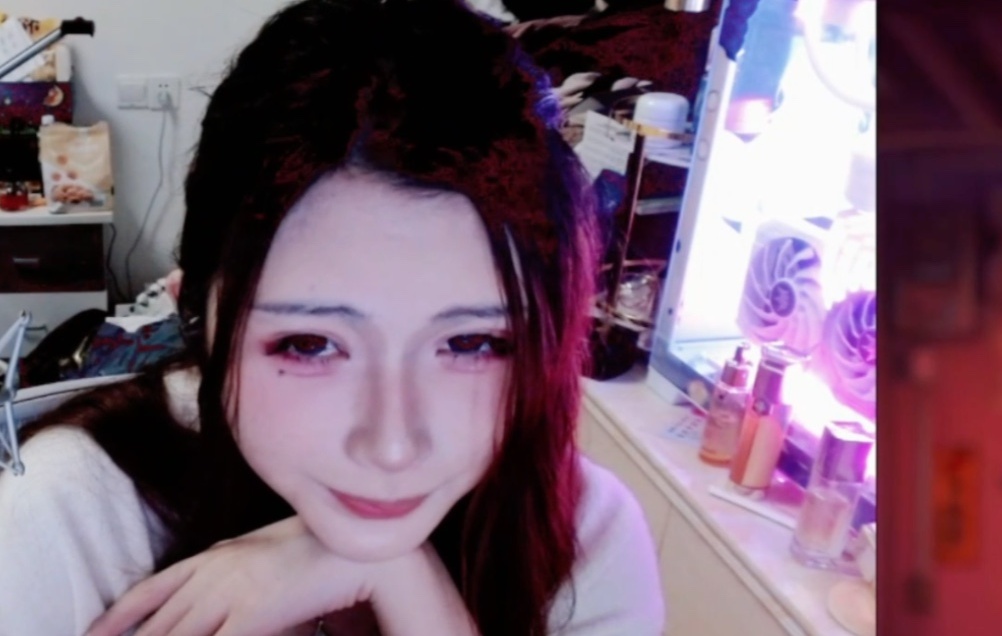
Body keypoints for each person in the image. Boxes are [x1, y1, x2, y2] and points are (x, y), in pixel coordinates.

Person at [0, 0, 664, 634]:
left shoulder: (582, 534)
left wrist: (406, 583)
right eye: (309, 344)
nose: (392, 447)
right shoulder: (71, 521)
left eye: (472, 342)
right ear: (195, 315)